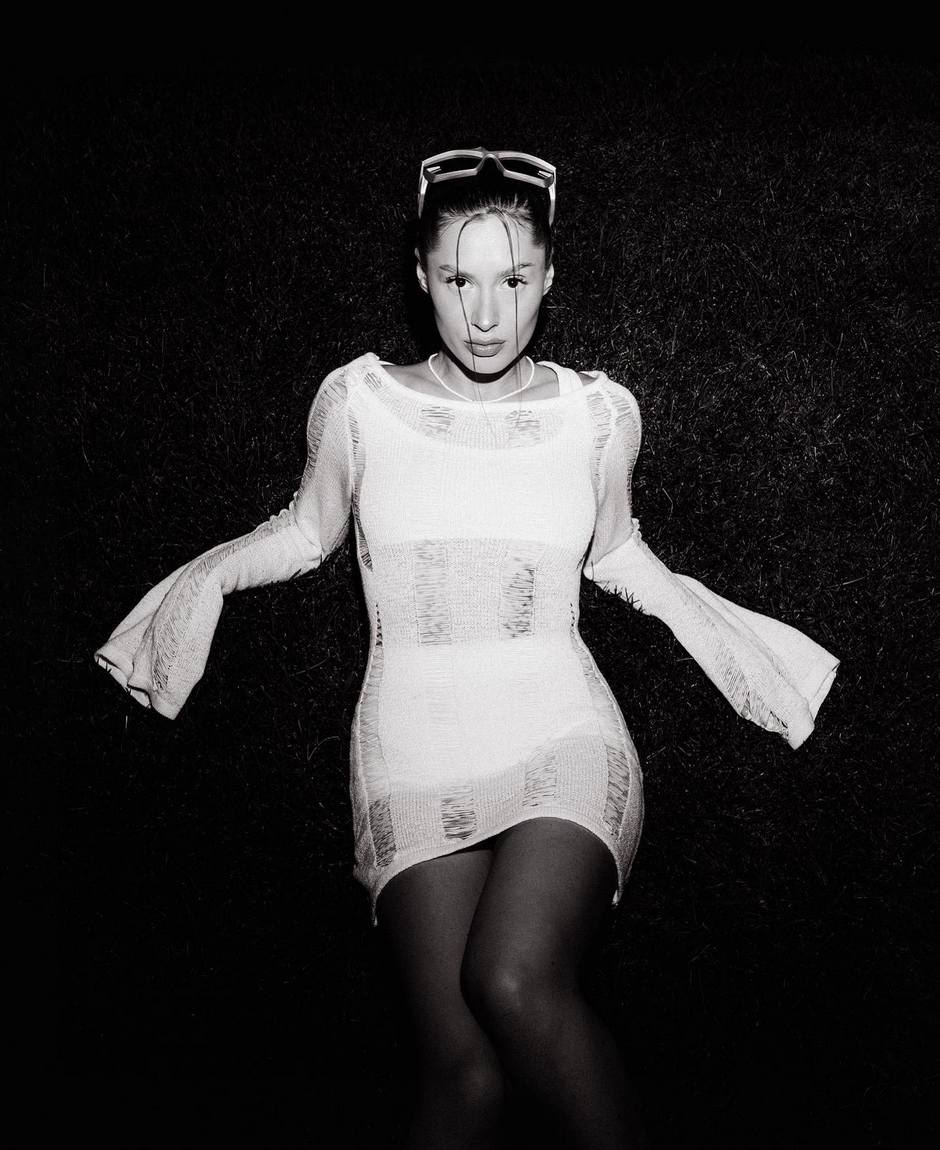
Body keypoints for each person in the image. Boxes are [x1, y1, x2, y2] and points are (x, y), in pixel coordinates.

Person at [95, 147, 839, 1149]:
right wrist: (203, 582)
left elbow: (618, 551)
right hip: (410, 750)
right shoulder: (359, 403)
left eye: (513, 281)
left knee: (512, 977)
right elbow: (307, 531)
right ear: (421, 275)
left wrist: (752, 658)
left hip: (563, 737)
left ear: (549, 276)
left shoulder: (595, 415)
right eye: (458, 280)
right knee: (466, 1076)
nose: (486, 314)